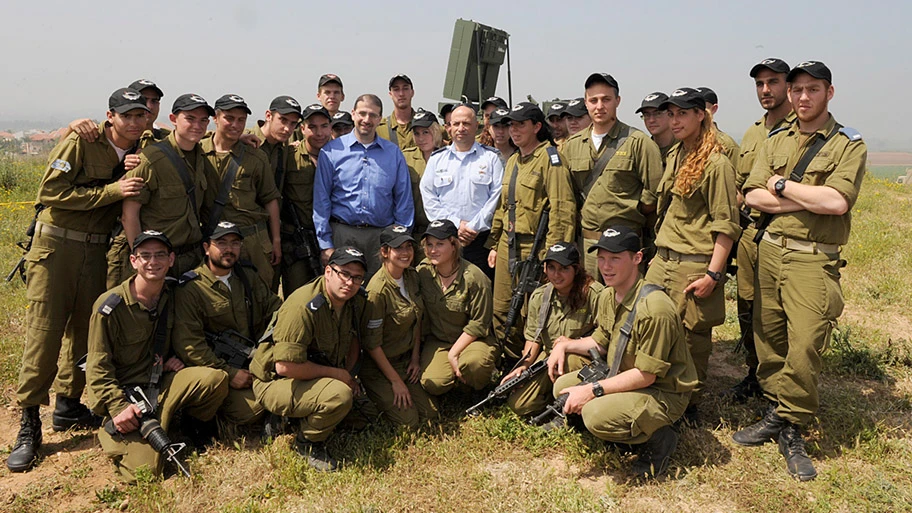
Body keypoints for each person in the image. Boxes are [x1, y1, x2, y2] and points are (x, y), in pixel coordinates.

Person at [735, 61, 866, 482]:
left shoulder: (848, 145)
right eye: (797, 90)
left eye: (812, 89)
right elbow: (751, 195)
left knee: (805, 339)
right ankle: (778, 408)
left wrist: (780, 186)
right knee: (769, 333)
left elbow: (836, 203)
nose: (803, 97)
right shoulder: (775, 138)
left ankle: (791, 423)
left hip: (813, 256)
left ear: (830, 92)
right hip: (770, 250)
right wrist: (802, 195)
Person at [7, 88, 150, 473]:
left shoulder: (143, 144)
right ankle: (30, 421)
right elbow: (50, 192)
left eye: (141, 115)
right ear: (110, 116)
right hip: (57, 248)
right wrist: (113, 190)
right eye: (127, 116)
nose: (135, 122)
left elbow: (192, 134)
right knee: (45, 331)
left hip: (96, 250)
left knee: (85, 331)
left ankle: (68, 404)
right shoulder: (82, 140)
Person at [552, 227, 697, 479]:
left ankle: (659, 438)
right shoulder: (609, 294)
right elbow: (601, 342)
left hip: (661, 391)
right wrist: (564, 345)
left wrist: (592, 390)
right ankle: (618, 430)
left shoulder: (655, 309)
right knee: (562, 388)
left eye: (615, 258)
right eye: (601, 258)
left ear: (637, 258)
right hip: (625, 374)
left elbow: (647, 376)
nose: (606, 266)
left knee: (594, 414)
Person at [86, 231, 228, 482]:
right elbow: (98, 368)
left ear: (171, 259)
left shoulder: (172, 294)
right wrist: (118, 407)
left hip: (159, 382)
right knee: (145, 473)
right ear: (133, 261)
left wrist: (171, 358)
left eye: (160, 254)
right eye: (145, 256)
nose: (153, 262)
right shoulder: (110, 307)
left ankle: (189, 426)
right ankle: (113, 432)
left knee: (215, 379)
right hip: (126, 396)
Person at [644, 88, 741, 423]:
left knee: (691, 338)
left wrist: (714, 275)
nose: (675, 120)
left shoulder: (717, 164)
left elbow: (726, 226)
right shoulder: (677, 155)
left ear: (701, 115)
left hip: (694, 264)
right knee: (650, 324)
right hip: (664, 259)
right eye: (671, 114)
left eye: (682, 113)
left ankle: (690, 405)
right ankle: (658, 388)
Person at [249, 246, 375, 472]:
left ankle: (293, 418)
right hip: (275, 381)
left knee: (366, 417)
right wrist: (339, 376)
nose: (350, 282)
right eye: (344, 274)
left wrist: (350, 375)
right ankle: (307, 443)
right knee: (339, 397)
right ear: (328, 272)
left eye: (357, 278)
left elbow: (354, 337)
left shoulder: (355, 300)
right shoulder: (303, 305)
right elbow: (285, 366)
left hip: (313, 375)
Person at [486, 102, 577, 364]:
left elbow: (562, 209)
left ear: (537, 127)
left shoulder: (550, 159)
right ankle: (510, 364)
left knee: (532, 310)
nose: (513, 130)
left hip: (536, 249)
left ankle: (531, 365)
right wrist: (494, 242)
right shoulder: (513, 159)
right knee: (503, 309)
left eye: (520, 124)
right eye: (510, 125)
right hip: (508, 244)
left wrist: (555, 257)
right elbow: (504, 207)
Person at [727, 58, 796, 402]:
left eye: (773, 82)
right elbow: (741, 185)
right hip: (749, 233)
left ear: (788, 85)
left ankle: (781, 387)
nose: (766, 90)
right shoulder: (754, 131)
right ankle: (754, 373)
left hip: (784, 235)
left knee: (778, 313)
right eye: (759, 84)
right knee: (747, 307)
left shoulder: (803, 130)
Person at [172, 222, 282, 428]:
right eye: (221, 243)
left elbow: (275, 309)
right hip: (216, 371)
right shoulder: (191, 288)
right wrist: (230, 374)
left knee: (277, 396)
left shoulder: (247, 276)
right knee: (255, 408)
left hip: (250, 361)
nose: (229, 249)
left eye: (235, 243)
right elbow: (190, 346)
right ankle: (206, 416)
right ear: (206, 247)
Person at [566, 73, 664, 279]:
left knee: (626, 305)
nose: (599, 106)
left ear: (617, 101)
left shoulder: (638, 142)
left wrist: (633, 209)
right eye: (593, 100)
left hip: (624, 246)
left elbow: (656, 194)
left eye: (606, 99)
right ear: (586, 103)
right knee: (590, 305)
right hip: (588, 247)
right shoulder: (572, 145)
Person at [119, 94, 221, 279]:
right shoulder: (150, 160)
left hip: (192, 258)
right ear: (173, 119)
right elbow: (129, 215)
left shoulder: (202, 159)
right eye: (190, 119)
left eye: (203, 120)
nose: (197, 126)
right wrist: (142, 260)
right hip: (157, 262)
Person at [313, 94, 414, 278]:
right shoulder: (331, 152)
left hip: (381, 237)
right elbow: (321, 201)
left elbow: (403, 200)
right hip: (343, 234)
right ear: (353, 114)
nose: (367, 120)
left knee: (380, 294)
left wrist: (398, 242)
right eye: (362, 113)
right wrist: (326, 245)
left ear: (380, 119)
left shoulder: (393, 154)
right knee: (343, 291)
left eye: (373, 115)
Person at [501, 242, 603, 416]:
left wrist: (570, 345)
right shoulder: (541, 296)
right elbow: (534, 338)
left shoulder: (595, 294)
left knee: (568, 360)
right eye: (551, 268)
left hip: (581, 359)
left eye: (563, 269)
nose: (556, 275)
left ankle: (576, 409)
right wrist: (524, 366)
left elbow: (605, 337)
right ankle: (555, 402)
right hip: (548, 357)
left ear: (576, 269)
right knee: (519, 404)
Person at [200, 94, 282, 286]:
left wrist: (276, 241)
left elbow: (270, 199)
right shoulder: (198, 153)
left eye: (241, 120)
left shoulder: (256, 157)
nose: (236, 125)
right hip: (215, 240)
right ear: (216, 118)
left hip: (252, 240)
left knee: (260, 297)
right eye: (229, 118)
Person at [361, 225, 438, 427]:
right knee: (408, 422)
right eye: (398, 248)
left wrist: (415, 358)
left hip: (405, 361)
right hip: (380, 367)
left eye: (409, 247)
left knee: (431, 414)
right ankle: (368, 401)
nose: (406, 253)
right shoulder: (377, 291)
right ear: (385, 252)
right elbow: (372, 345)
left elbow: (417, 319)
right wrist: (395, 381)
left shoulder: (411, 277)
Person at [421, 104, 504, 283]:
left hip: (481, 240)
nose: (461, 128)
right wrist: (457, 225)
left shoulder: (491, 158)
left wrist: (473, 226)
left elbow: (496, 197)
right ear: (449, 127)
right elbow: (428, 196)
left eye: (466, 123)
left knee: (481, 289)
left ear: (477, 126)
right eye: (456, 123)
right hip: (446, 239)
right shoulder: (437, 160)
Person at [417, 220, 498, 396]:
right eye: (429, 244)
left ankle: (475, 389)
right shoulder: (422, 272)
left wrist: (454, 353)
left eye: (440, 244)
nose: (433, 250)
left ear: (454, 245)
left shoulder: (475, 278)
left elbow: (479, 323)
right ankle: (455, 381)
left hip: (474, 340)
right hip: (439, 341)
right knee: (434, 383)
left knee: (475, 365)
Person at [281, 104, 334, 295]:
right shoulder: (288, 157)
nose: (319, 132)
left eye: (324, 126)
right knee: (299, 298)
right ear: (302, 129)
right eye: (312, 127)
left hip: (332, 239)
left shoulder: (340, 157)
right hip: (297, 242)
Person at [401, 109, 443, 249]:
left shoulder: (449, 156)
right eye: (417, 133)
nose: (421, 138)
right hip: (416, 232)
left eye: (426, 132)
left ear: (436, 131)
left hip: (444, 231)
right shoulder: (406, 158)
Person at [696, 87, 741, 168]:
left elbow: (737, 176)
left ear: (714, 109)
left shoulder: (727, 145)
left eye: (701, 108)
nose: (697, 114)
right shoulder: (684, 141)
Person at [376, 74, 417, 150]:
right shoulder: (379, 129)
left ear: (412, 92)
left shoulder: (426, 125)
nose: (401, 94)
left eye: (405, 88)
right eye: (396, 89)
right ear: (390, 94)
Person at [635, 92, 675, 164]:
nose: (651, 120)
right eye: (646, 115)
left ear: (670, 114)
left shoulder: (685, 147)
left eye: (657, 114)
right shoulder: (641, 150)